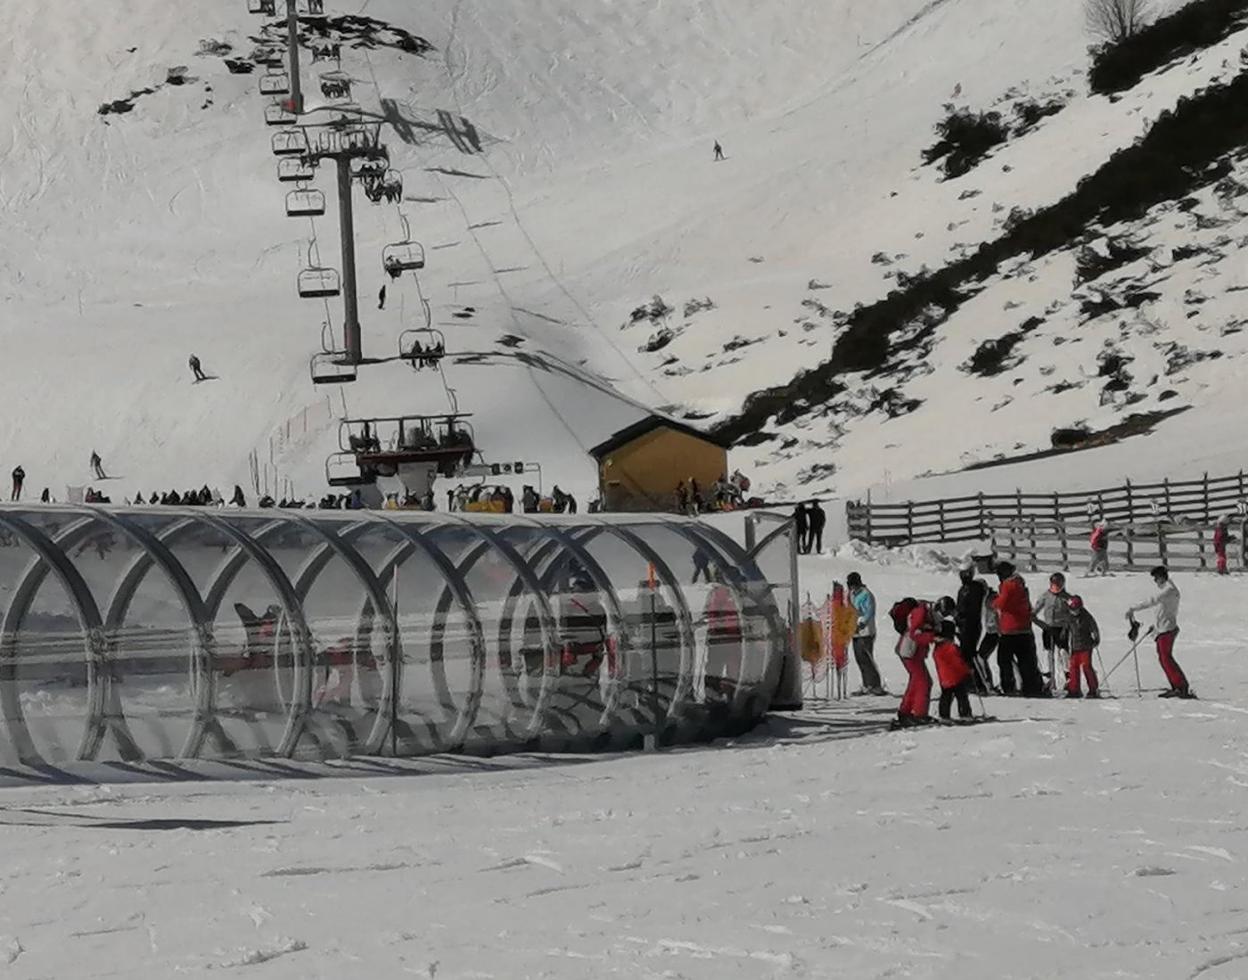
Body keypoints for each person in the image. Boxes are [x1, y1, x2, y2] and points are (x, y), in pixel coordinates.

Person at [1127, 565, 1193, 698]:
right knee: (1164, 659)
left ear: (1161, 577)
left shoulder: (1168, 590)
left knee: (1166, 658)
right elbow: (1161, 611)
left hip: (1167, 629)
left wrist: (1133, 608)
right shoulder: (1168, 589)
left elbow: (1152, 601)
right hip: (1162, 628)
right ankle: (1176, 686)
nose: (1155, 581)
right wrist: (1155, 627)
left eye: (1156, 578)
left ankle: (1181, 686)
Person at [992, 561, 1047, 697]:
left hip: (1010, 629)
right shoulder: (1021, 584)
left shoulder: (1008, 585)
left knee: (1004, 660)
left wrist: (993, 601)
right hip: (1024, 628)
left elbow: (1002, 604)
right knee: (1027, 660)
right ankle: (1032, 687)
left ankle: (1009, 686)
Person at [894, 599, 936, 728]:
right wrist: (932, 637)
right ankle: (919, 713)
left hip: (910, 652)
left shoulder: (922, 611)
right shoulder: (921, 612)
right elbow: (915, 633)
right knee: (923, 682)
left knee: (916, 682)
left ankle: (905, 711)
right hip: (911, 652)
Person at [846, 572, 885, 695]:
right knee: (860, 659)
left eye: (854, 585)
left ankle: (876, 685)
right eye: (850, 585)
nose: (852, 588)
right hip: (854, 631)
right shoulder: (851, 594)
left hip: (866, 632)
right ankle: (866, 684)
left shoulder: (866, 594)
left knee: (867, 658)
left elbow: (869, 612)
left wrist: (861, 623)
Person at [1032, 572, 1072, 691]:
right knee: (1048, 652)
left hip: (1062, 628)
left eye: (1059, 583)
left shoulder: (1067, 597)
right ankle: (1049, 677)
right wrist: (1040, 624)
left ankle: (1068, 677)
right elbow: (1034, 612)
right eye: (1054, 583)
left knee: (1063, 652)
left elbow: (1073, 613)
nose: (1056, 586)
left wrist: (1067, 626)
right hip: (1048, 628)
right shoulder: (1045, 596)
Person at [955, 564, 988, 692]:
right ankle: (969, 681)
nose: (964, 577)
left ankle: (978, 683)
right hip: (963, 625)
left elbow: (972, 609)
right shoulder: (963, 589)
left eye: (966, 574)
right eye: (962, 574)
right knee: (964, 654)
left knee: (969, 654)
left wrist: (961, 615)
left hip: (972, 625)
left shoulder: (974, 588)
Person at [933, 620, 973, 722]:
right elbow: (958, 663)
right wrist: (968, 670)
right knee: (962, 696)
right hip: (956, 677)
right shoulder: (951, 647)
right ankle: (965, 714)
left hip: (944, 677)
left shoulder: (937, 648)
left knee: (946, 696)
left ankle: (944, 715)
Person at [1064, 595, 1100, 698]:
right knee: (1073, 667)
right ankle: (1074, 690)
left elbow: (1094, 627)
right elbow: (1066, 628)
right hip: (1075, 647)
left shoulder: (1086, 616)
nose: (1073, 611)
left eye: (1075, 609)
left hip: (1086, 646)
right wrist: (1063, 636)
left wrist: (1096, 637)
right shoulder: (1069, 617)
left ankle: (1093, 689)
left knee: (1086, 666)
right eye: (1071, 609)